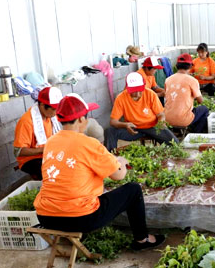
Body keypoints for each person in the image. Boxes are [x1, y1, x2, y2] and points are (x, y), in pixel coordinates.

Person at [34, 93, 165, 250]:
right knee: (133, 190)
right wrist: (121, 162)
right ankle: (142, 239)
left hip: (45, 216)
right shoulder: (89, 143)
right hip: (81, 218)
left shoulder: (51, 142)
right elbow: (118, 175)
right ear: (82, 119)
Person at [105, 72, 178, 151]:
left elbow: (161, 114)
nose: (137, 94)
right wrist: (125, 125)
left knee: (174, 143)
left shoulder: (150, 94)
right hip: (133, 129)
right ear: (127, 88)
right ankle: (111, 158)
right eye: (134, 91)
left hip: (152, 127)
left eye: (140, 90)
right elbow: (113, 121)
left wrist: (160, 123)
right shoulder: (121, 98)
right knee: (110, 131)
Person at [14, 87, 63, 180]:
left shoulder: (51, 117)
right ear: (42, 105)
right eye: (54, 109)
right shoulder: (27, 121)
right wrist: (44, 150)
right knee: (53, 172)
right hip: (31, 160)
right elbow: (18, 151)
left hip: (48, 155)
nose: (57, 112)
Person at [164, 53, 209, 133]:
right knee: (204, 109)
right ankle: (196, 133)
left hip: (167, 118)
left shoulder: (168, 79)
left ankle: (180, 130)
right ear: (190, 66)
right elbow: (201, 101)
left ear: (177, 66)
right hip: (183, 120)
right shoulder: (192, 80)